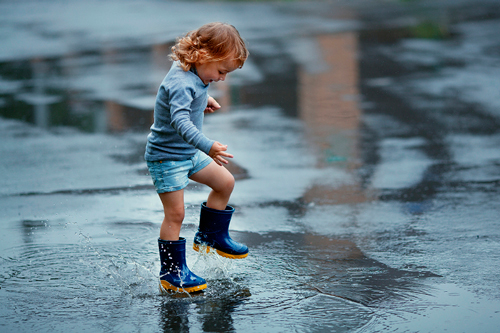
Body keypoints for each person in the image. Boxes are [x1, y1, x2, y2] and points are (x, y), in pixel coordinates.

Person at [145, 22, 249, 293]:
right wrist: (208, 146)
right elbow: (179, 120)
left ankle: (211, 236)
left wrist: (203, 101)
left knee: (225, 182)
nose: (223, 78)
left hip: (187, 154)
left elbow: (190, 95)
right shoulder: (181, 81)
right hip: (167, 158)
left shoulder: (193, 71)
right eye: (222, 71)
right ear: (204, 56)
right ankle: (172, 273)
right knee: (175, 214)